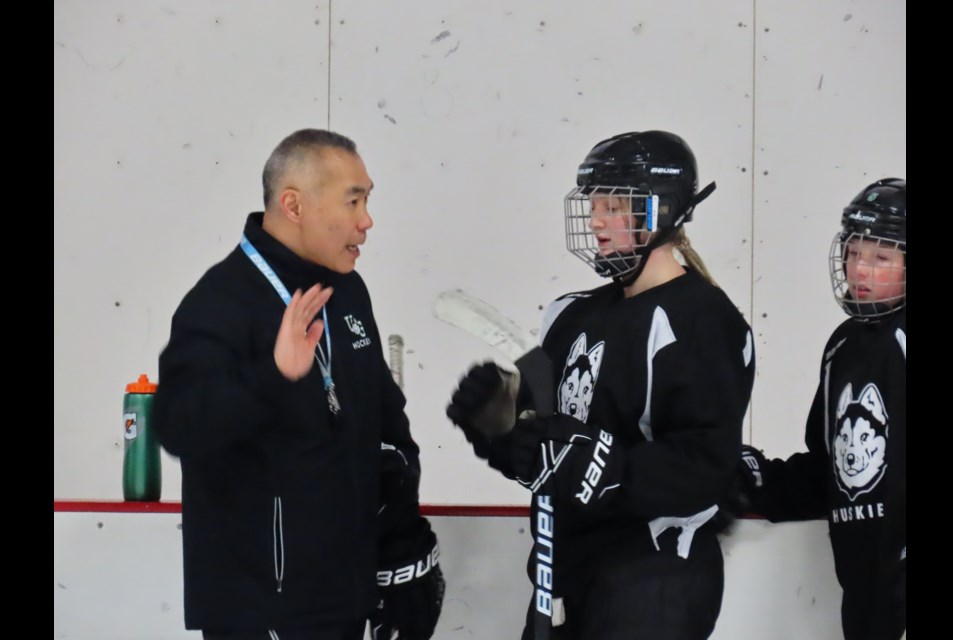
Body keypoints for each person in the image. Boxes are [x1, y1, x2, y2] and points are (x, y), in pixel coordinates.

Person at [447, 131, 756, 639]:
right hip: (565, 575)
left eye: (613, 206)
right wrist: (499, 427)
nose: (596, 221)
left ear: (659, 211)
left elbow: (706, 467)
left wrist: (603, 463)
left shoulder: (702, 319)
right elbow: (546, 455)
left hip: (655, 580)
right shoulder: (572, 314)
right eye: (594, 205)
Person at [154, 129, 444, 640]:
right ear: (293, 205)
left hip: (345, 599)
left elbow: (385, 425)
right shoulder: (220, 301)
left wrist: (403, 547)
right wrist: (273, 375)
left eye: (368, 199)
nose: (366, 220)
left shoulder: (347, 291)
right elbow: (179, 427)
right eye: (353, 200)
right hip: (261, 612)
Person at [738, 178, 906, 640]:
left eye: (881, 258)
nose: (860, 270)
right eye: (854, 253)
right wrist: (761, 482)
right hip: (865, 589)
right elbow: (830, 469)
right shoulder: (843, 345)